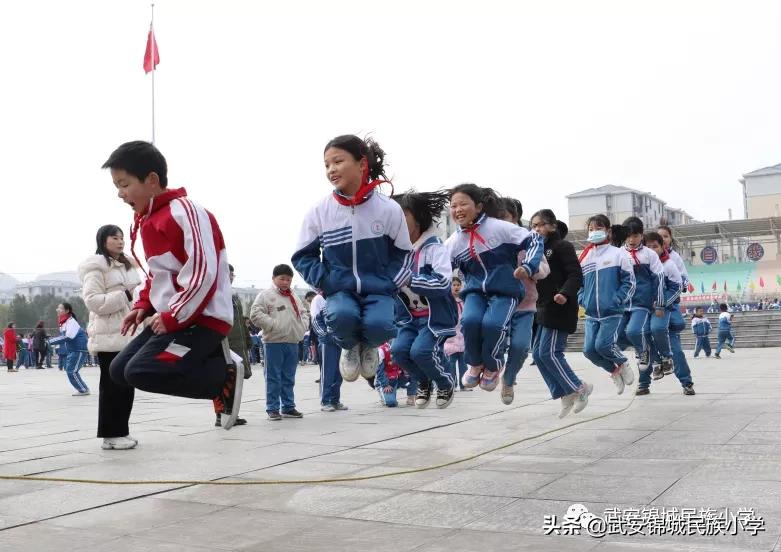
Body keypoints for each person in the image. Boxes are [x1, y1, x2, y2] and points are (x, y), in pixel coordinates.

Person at [101, 140, 243, 430]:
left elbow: (203, 270)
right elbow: (158, 273)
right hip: (173, 319)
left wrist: (172, 315)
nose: (120, 194)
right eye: (117, 186)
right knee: (119, 370)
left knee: (144, 371)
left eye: (124, 184)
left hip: (200, 319)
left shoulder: (185, 211)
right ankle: (211, 363)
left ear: (152, 180)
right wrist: (143, 306)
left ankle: (222, 374)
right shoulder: (145, 221)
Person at [292, 135, 413, 383]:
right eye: (327, 165)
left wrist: (390, 283)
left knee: (381, 325)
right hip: (340, 289)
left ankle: (368, 345)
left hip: (379, 288)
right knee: (342, 317)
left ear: (361, 164)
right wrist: (327, 281)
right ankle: (349, 346)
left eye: (338, 161)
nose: (331, 170)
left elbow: (403, 253)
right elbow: (303, 255)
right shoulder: (320, 211)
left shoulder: (388, 209)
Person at [446, 184, 544, 392]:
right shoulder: (454, 242)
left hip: (505, 291)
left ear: (479, 206)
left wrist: (528, 266)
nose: (458, 209)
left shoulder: (498, 228)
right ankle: (474, 364)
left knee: (493, 325)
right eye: (453, 206)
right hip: (474, 292)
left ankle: (492, 366)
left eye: (463, 204)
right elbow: (439, 267)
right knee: (469, 320)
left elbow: (534, 239)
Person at [392, 190, 458, 409]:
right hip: (409, 318)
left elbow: (442, 283)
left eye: (402, 216)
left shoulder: (434, 248)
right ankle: (423, 381)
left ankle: (445, 381)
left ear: (418, 218)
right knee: (400, 352)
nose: (396, 222)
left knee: (421, 351)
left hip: (434, 316)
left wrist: (411, 279)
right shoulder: (394, 252)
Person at [79, 224, 143, 449]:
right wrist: (124, 294)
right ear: (102, 241)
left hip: (128, 334)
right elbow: (93, 302)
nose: (120, 241)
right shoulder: (96, 268)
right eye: (114, 238)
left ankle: (121, 431)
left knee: (126, 385)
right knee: (111, 385)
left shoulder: (126, 266)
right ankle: (110, 435)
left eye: (122, 237)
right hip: (108, 336)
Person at [529, 210, 590, 418]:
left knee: (549, 353)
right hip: (543, 307)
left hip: (561, 306)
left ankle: (579, 387)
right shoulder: (534, 250)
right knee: (537, 354)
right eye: (534, 225)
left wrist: (564, 293)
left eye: (541, 225)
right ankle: (564, 393)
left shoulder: (562, 246)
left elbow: (576, 275)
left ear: (553, 226)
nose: (537, 229)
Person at [499, 197, 550, 405]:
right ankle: (488, 370)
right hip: (498, 305)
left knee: (520, 347)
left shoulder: (527, 239)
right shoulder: (490, 240)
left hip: (524, 306)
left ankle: (509, 379)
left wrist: (531, 270)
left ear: (515, 218)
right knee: (494, 342)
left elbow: (545, 269)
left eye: (504, 218)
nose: (500, 223)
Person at [578, 214, 636, 394]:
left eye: (599, 228)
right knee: (589, 351)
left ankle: (623, 362)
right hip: (591, 313)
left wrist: (617, 299)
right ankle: (614, 370)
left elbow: (630, 282)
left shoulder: (618, 254)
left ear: (608, 231)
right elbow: (578, 284)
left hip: (612, 311)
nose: (594, 232)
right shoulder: (585, 257)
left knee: (602, 346)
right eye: (591, 229)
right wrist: (582, 299)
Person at [615, 217, 671, 380]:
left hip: (641, 303)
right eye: (629, 235)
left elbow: (659, 277)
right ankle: (641, 348)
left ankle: (643, 351)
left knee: (633, 330)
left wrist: (660, 304)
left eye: (636, 235)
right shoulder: (618, 253)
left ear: (642, 236)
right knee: (616, 336)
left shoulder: (649, 255)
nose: (632, 240)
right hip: (622, 303)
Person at [250, 264, 309, 421]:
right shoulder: (265, 295)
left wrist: (302, 327)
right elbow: (255, 314)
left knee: (289, 376)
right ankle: (273, 408)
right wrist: (274, 325)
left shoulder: (294, 296)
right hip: (273, 342)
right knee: (273, 377)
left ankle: (288, 406)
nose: (285, 282)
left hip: (292, 341)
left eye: (288, 279)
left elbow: (304, 313)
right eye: (282, 278)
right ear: (274, 278)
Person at [640, 232, 695, 395]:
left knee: (675, 350)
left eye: (665, 236)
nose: (663, 239)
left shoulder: (672, 260)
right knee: (643, 349)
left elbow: (681, 282)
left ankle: (686, 382)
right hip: (647, 312)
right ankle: (643, 383)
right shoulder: (641, 261)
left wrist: (663, 302)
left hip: (666, 310)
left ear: (668, 241)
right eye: (648, 245)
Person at [212, 264, 251, 427]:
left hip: (237, 342)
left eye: (232, 273)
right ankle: (220, 415)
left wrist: (247, 339)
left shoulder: (233, 295)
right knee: (221, 380)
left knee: (234, 380)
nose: (231, 275)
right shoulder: (214, 293)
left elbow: (241, 321)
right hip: (223, 342)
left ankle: (231, 413)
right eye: (228, 273)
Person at [310, 291, 348, 411]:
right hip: (328, 342)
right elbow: (315, 320)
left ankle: (335, 400)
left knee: (339, 372)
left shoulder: (340, 297)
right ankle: (325, 401)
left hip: (341, 340)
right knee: (328, 372)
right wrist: (326, 336)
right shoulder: (319, 299)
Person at [50, 302, 90, 395]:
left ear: (67, 311)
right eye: (57, 308)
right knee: (71, 370)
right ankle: (83, 388)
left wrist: (51, 341)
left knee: (72, 371)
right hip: (73, 350)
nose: (57, 310)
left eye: (60, 308)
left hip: (79, 349)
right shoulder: (64, 322)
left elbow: (69, 337)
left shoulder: (71, 321)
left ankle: (83, 390)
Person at [376, 341, 417, 407]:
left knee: (414, 373)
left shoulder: (404, 347)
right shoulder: (382, 350)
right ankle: (381, 388)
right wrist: (385, 384)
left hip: (400, 377)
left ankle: (411, 396)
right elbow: (379, 370)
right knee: (391, 403)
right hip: (388, 380)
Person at [443, 276, 467, 391]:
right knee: (451, 362)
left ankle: (464, 384)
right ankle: (451, 384)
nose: (456, 287)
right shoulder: (447, 300)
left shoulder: (464, 300)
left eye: (458, 285)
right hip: (451, 335)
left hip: (462, 334)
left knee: (463, 361)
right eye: (454, 285)